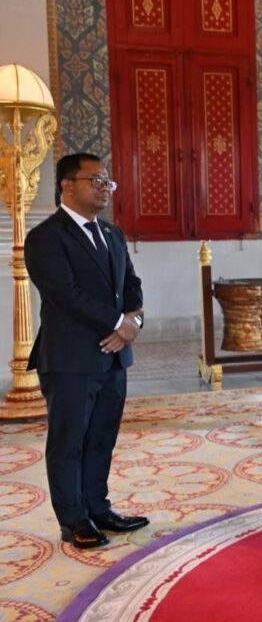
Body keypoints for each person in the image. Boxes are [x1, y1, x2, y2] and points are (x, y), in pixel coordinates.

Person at [24, 153, 148, 550]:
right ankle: (74, 519)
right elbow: (65, 294)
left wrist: (133, 324)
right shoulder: (46, 237)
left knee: (101, 437)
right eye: (95, 181)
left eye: (107, 182)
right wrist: (118, 323)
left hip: (113, 356)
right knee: (70, 441)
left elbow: (131, 284)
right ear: (67, 185)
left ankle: (98, 507)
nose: (105, 188)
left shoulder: (112, 233)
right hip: (70, 358)